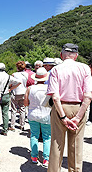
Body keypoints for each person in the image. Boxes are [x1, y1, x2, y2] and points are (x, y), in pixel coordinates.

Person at [47, 43, 92, 172]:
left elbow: (55, 97)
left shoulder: (56, 69)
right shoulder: (85, 69)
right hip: (79, 107)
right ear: (76, 56)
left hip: (60, 106)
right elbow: (88, 96)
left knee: (56, 145)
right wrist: (78, 117)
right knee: (76, 146)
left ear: (62, 55)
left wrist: (63, 116)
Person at [24, 67, 51, 167]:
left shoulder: (30, 88)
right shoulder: (49, 88)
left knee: (34, 135)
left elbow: (26, 103)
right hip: (46, 115)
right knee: (47, 137)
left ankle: (34, 156)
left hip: (33, 114)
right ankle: (46, 159)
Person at [0, 63, 21, 136]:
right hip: (6, 95)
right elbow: (19, 82)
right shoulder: (8, 76)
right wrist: (11, 88)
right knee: (5, 113)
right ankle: (5, 130)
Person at [9, 61, 28, 131]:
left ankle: (12, 125)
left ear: (17, 67)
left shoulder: (14, 74)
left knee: (13, 110)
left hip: (15, 92)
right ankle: (22, 125)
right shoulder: (26, 74)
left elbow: (10, 83)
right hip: (23, 92)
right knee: (22, 109)